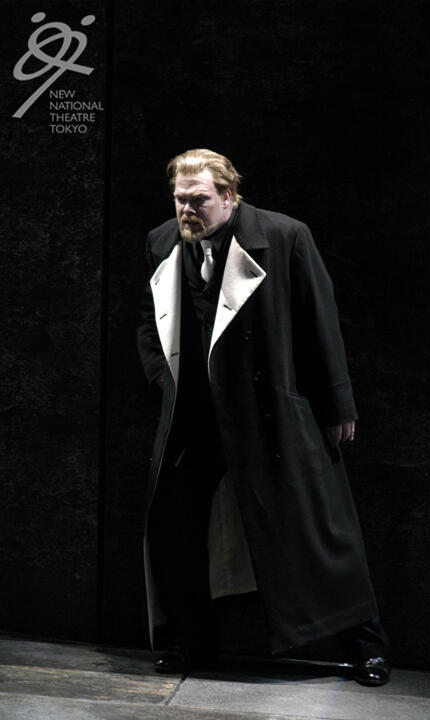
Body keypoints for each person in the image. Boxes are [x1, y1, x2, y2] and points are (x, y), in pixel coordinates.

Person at [136, 148, 390, 686]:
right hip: (194, 416)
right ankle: (190, 642)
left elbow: (320, 321)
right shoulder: (163, 241)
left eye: (198, 199)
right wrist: (162, 374)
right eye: (180, 199)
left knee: (318, 530)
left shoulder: (284, 236)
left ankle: (367, 647)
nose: (186, 209)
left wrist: (337, 403)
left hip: (267, 413)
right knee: (177, 526)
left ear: (229, 196)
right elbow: (147, 318)